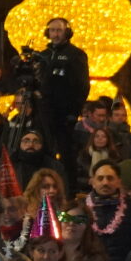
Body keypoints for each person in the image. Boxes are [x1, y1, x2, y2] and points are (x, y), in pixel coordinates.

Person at [38, 18, 91, 187]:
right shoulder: (42, 55)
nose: (55, 34)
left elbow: (82, 85)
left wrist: (74, 111)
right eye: (52, 30)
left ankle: (70, 191)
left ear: (66, 32)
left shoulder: (75, 54)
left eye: (59, 30)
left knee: (67, 154)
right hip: (43, 112)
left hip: (64, 114)